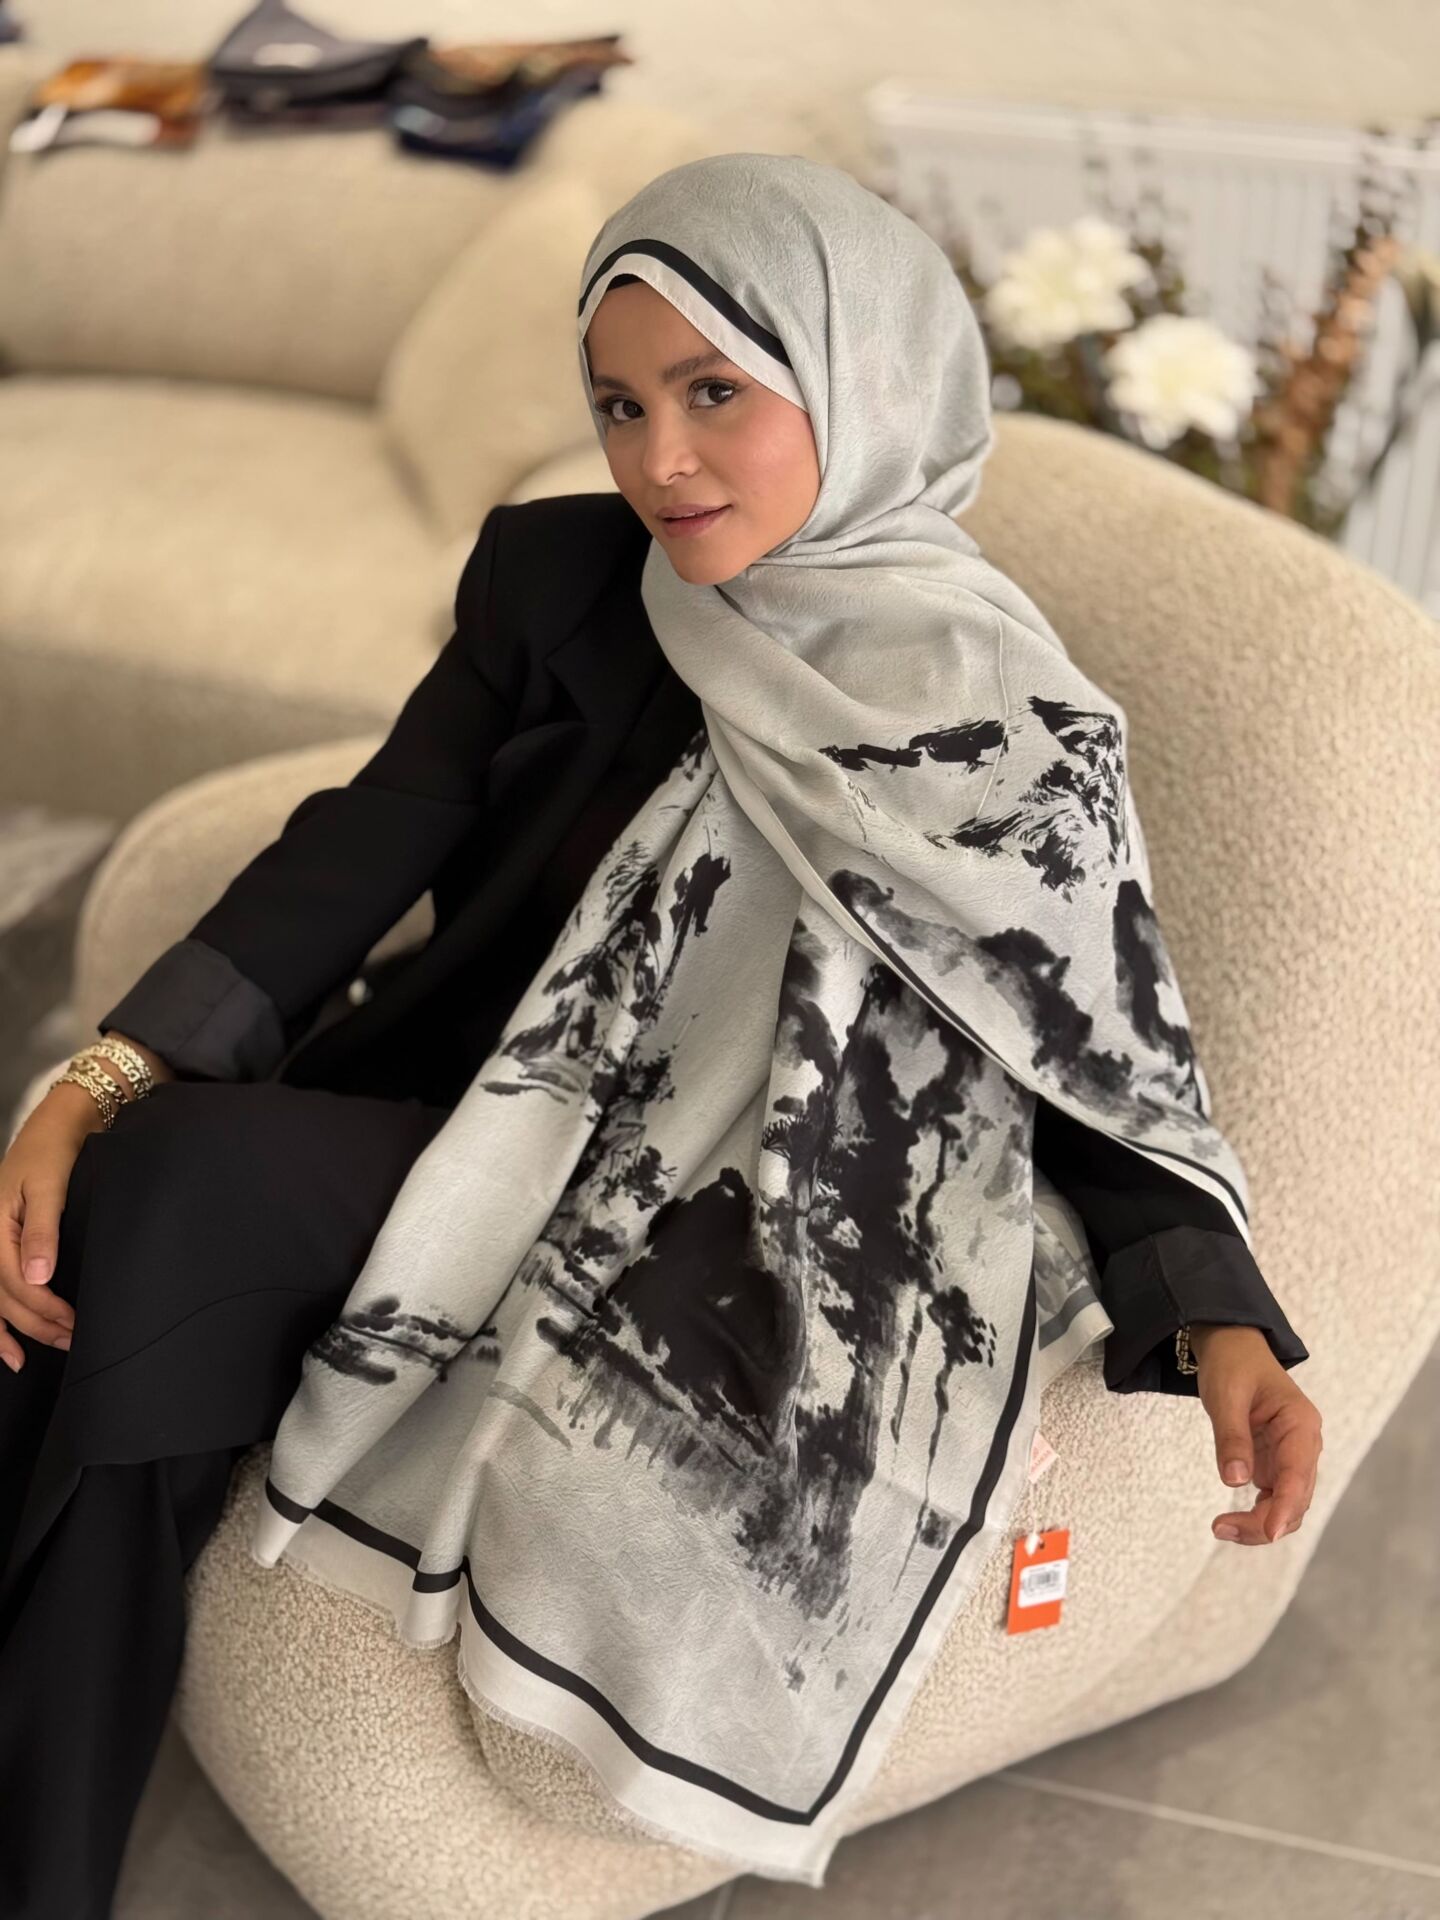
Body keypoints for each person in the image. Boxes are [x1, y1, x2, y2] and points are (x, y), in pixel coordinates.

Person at [0, 154, 1321, 1915]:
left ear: (861, 382)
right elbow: (365, 843)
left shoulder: (1001, 721)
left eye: (715, 394)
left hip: (708, 1225)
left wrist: (1218, 1318)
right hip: (457, 1129)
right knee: (130, 1211)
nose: (659, 461)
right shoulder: (558, 580)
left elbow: (1075, 1047)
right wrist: (106, 1071)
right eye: (619, 404)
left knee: (156, 1219)